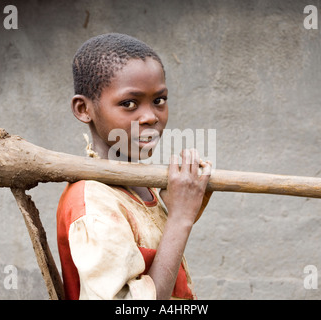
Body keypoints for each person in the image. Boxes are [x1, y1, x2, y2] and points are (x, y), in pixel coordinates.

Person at [57, 33, 212, 300]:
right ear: (84, 109)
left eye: (159, 100)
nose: (151, 117)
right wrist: (180, 218)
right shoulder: (92, 206)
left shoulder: (143, 184)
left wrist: (184, 204)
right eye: (129, 103)